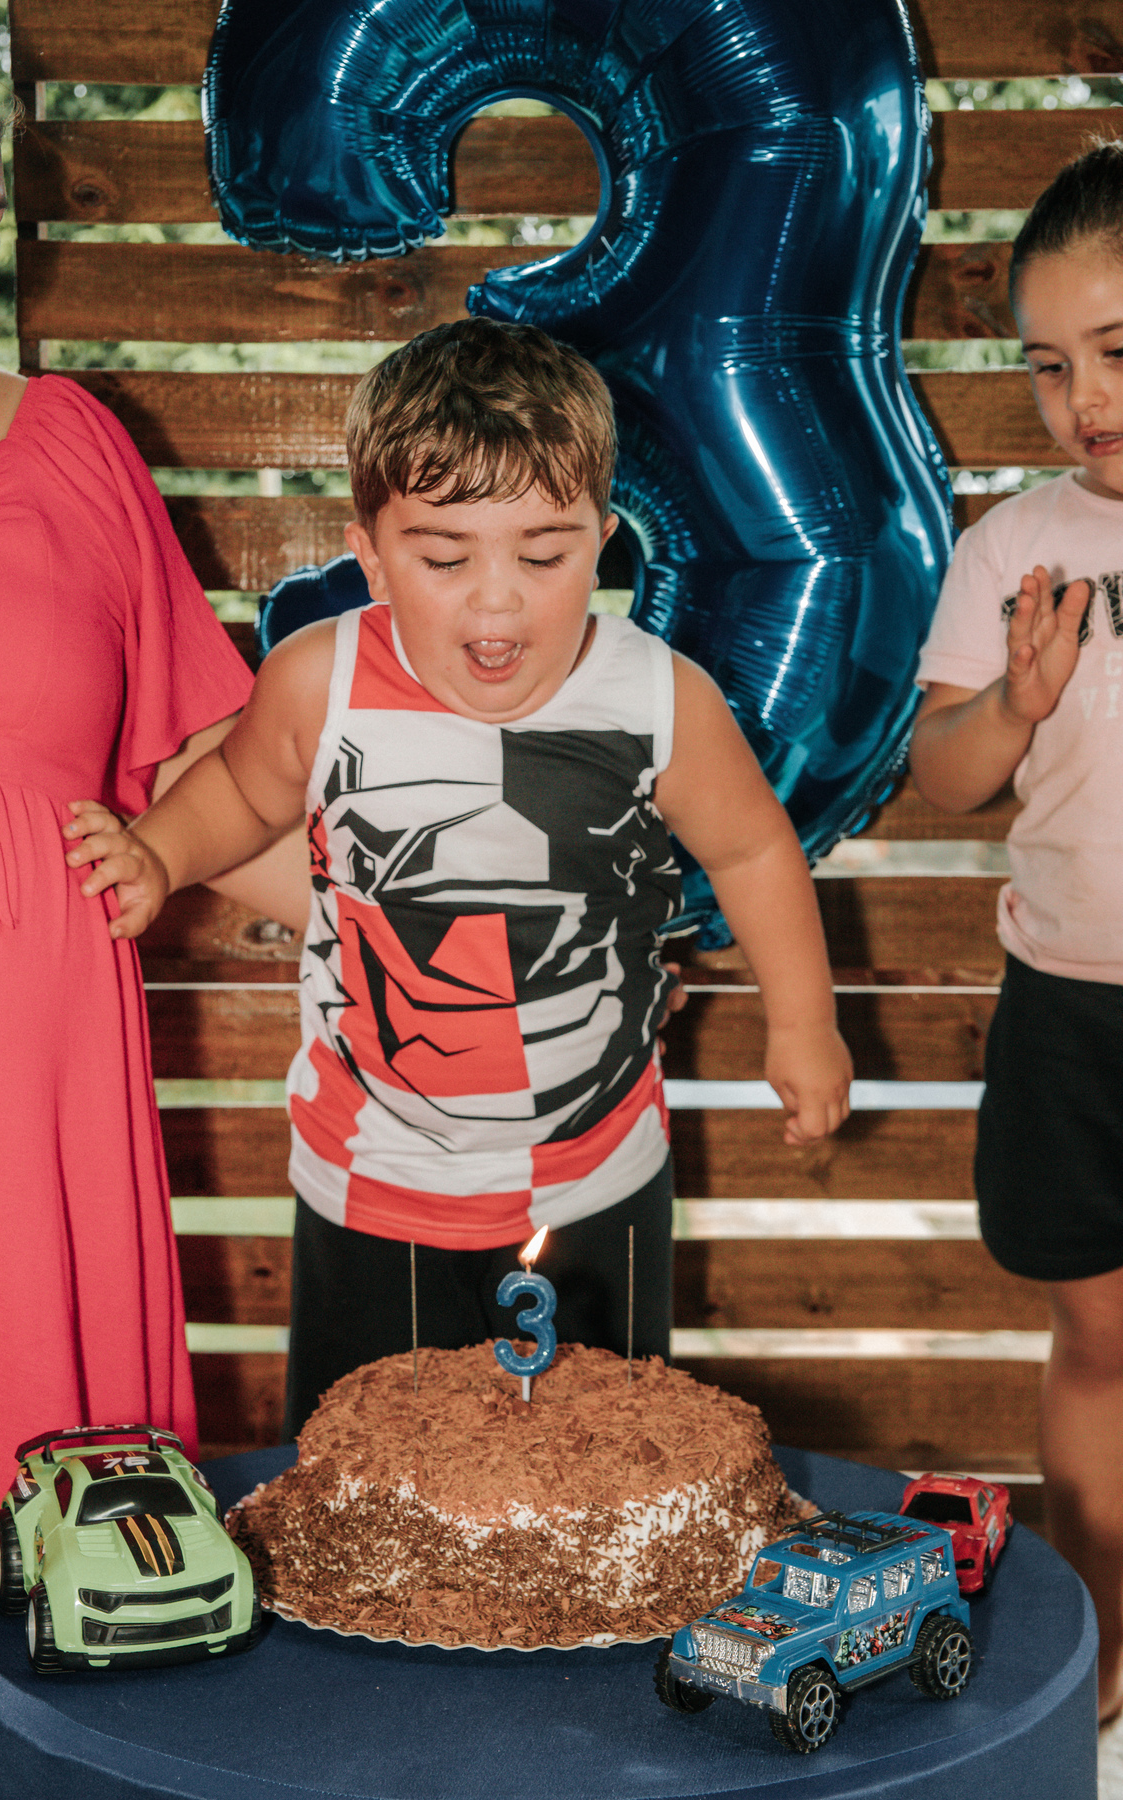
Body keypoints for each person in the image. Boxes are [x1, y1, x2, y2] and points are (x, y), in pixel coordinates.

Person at [68, 317, 853, 1443]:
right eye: (445, 558)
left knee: (603, 1473)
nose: (499, 603)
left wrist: (806, 1025)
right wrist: (155, 855)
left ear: (603, 539)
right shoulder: (319, 679)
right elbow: (238, 799)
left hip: (598, 1179)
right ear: (372, 554)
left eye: (545, 554)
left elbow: (752, 849)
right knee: (361, 1474)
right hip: (371, 1180)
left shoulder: (657, 697)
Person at [0, 9, 305, 1788]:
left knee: (79, 1644)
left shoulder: (72, 444)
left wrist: (485, 935)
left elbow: (219, 781)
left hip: (50, 1178)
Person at [910, 139, 1123, 1723]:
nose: (1083, 401)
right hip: (1071, 1009)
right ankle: (1109, 1631)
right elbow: (942, 774)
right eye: (1051, 367)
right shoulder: (1010, 549)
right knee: (1101, 1343)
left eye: (1115, 354)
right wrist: (1015, 697)